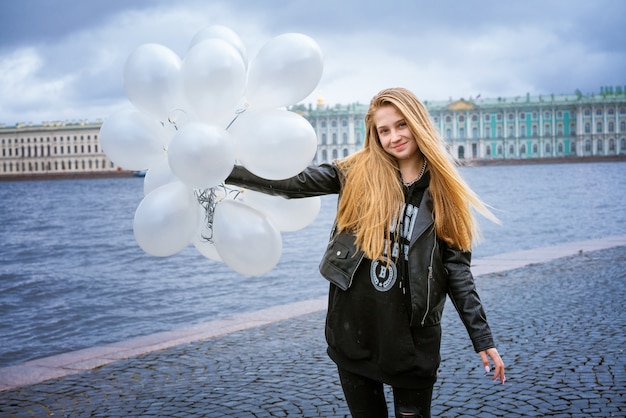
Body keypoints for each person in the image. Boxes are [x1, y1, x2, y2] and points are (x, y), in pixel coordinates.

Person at [225, 87, 505, 418]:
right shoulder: (357, 172)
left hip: (411, 341)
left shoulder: (445, 193)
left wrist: (482, 338)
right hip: (354, 330)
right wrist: (221, 168)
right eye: (383, 130)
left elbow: (457, 272)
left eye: (401, 125)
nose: (394, 137)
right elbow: (294, 183)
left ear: (418, 123)